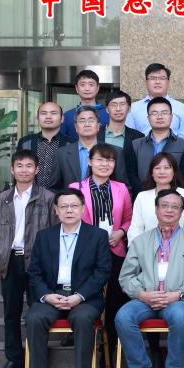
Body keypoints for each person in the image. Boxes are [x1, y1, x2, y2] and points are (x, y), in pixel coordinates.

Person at [115, 189, 184, 368]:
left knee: (180, 316)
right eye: (164, 206)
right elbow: (126, 276)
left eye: (175, 207)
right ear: (156, 209)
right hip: (145, 299)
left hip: (177, 299)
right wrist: (142, 294)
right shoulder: (141, 241)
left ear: (181, 212)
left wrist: (179, 294)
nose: (169, 210)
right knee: (123, 316)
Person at [23, 188, 111, 368]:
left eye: (73, 206)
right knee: (34, 318)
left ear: (83, 208)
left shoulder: (97, 236)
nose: (69, 210)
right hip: (52, 295)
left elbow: (102, 271)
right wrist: (47, 296)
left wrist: (79, 296)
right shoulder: (44, 236)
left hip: (85, 297)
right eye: (63, 206)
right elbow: (34, 272)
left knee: (82, 318)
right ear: (56, 210)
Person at [0, 150, 57, 368]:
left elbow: (55, 233)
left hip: (38, 262)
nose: (24, 170)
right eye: (19, 166)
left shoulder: (48, 198)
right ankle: (14, 359)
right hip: (9, 260)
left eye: (29, 166)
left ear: (36, 170)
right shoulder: (0, 200)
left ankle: (37, 358)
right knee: (11, 312)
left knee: (38, 311)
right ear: (12, 170)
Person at [69, 143, 134, 354]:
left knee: (115, 302)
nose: (104, 164)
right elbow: (71, 221)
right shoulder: (75, 188)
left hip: (115, 251)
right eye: (99, 159)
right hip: (86, 253)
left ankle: (110, 353)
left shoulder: (121, 188)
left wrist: (121, 232)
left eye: (109, 160)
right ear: (89, 162)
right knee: (88, 301)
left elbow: (129, 218)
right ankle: (89, 352)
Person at [128, 153, 184, 242]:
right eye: (157, 168)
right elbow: (136, 229)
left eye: (166, 168)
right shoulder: (142, 197)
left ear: (174, 172)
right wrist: (135, 248)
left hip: (180, 247)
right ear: (152, 173)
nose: (162, 172)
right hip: (147, 247)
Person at [126, 97, 184, 190]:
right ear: (148, 118)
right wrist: (145, 194)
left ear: (171, 117)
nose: (160, 117)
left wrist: (169, 194)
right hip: (142, 195)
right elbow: (132, 176)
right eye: (154, 113)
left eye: (164, 113)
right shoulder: (135, 145)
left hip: (173, 195)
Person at [58, 105, 131, 188]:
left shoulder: (115, 151)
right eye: (82, 121)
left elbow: (124, 187)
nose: (87, 124)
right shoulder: (61, 153)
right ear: (76, 127)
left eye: (91, 120)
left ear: (98, 126)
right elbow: (54, 187)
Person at [125, 63, 184, 142]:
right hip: (142, 149)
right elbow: (129, 139)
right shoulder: (133, 108)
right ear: (146, 82)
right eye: (153, 78)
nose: (157, 82)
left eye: (162, 78)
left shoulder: (181, 107)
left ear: (168, 82)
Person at [16, 101, 73, 190]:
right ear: (37, 118)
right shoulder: (25, 142)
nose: (48, 116)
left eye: (53, 113)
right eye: (44, 113)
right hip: (30, 195)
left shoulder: (71, 144)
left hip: (61, 196)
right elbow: (18, 169)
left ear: (62, 119)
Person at [60, 70, 107, 139]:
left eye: (91, 84)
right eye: (82, 85)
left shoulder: (108, 113)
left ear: (97, 88)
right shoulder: (67, 116)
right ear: (76, 88)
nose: (87, 89)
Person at [98, 90, 144, 154]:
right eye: (114, 105)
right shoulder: (96, 133)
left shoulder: (139, 137)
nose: (118, 109)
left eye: (122, 104)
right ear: (107, 109)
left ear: (129, 109)